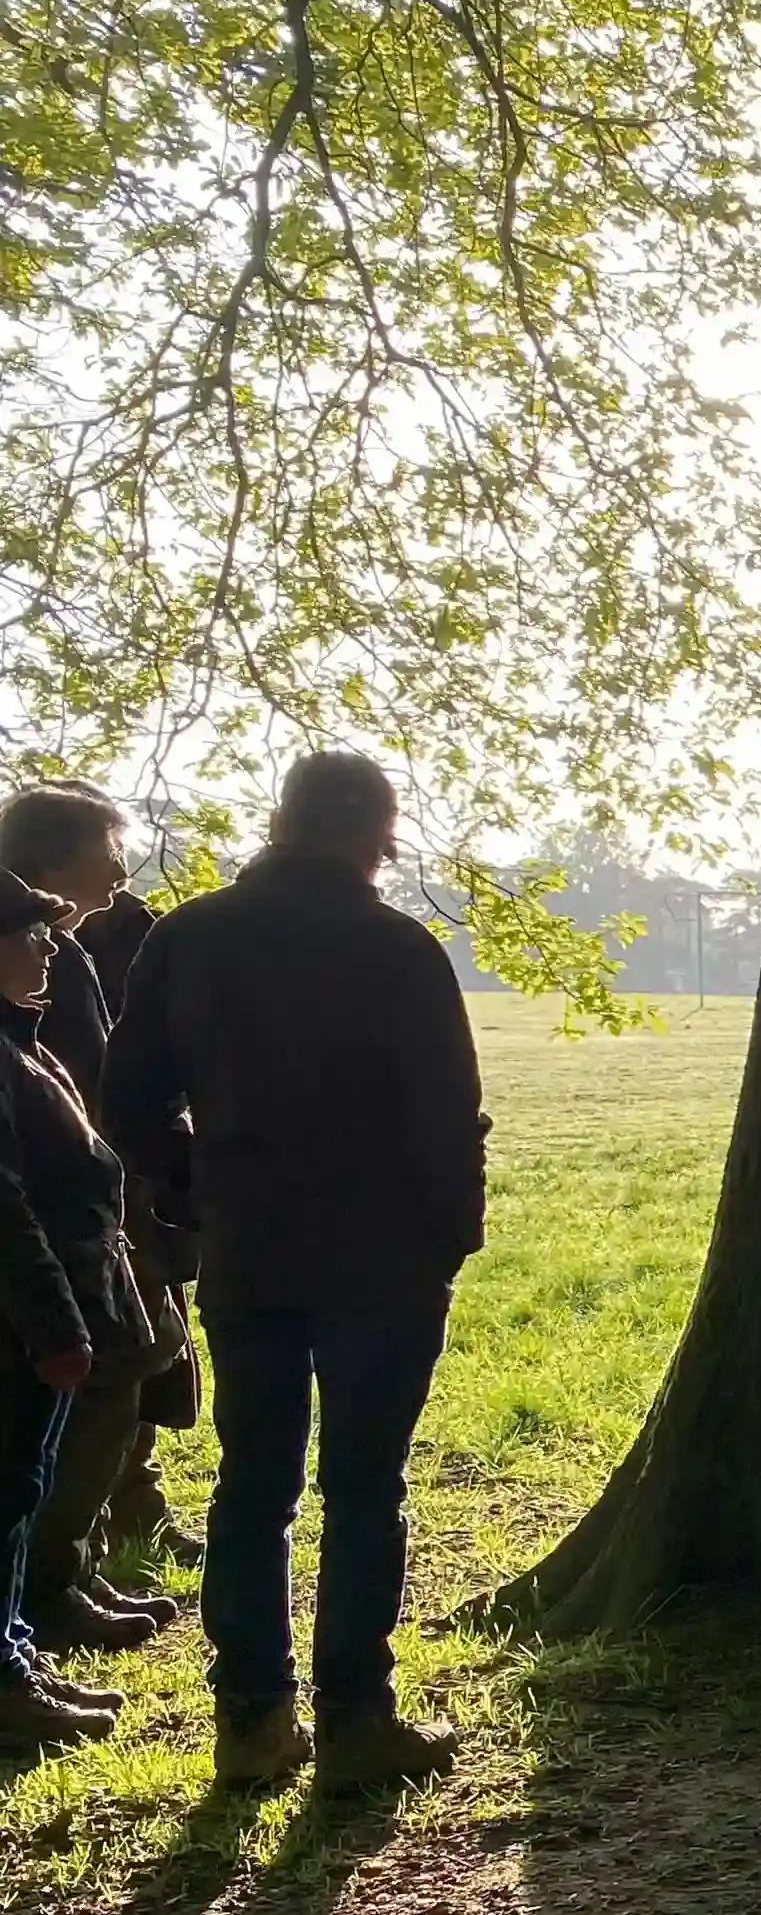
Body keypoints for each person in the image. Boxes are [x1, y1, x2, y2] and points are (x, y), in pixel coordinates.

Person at [104, 750, 484, 1792]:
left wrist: (190, 1189)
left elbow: (126, 1095)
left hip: (249, 1246)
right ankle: (357, 1720)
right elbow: (447, 1116)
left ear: (283, 821)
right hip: (384, 1256)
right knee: (364, 1489)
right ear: (376, 833)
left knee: (251, 1485)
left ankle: (252, 1722)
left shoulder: (190, 937)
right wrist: (451, 1238)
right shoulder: (396, 949)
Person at [0, 782, 187, 1640]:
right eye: (105, 849)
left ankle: (70, 1566)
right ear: (51, 857)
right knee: (96, 1386)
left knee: (132, 1375)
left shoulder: (77, 946)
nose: (120, 868)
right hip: (59, 1236)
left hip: (97, 1219)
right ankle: (45, 1593)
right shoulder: (38, 948)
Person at [0, 878, 155, 1749]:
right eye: (30, 932)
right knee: (7, 1493)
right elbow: (8, 1214)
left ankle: (16, 1651)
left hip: (40, 1324)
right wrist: (55, 1329)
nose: (50, 948)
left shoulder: (19, 1039)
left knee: (20, 1494)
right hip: (19, 1334)